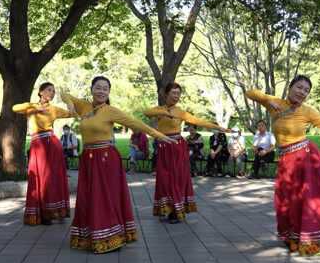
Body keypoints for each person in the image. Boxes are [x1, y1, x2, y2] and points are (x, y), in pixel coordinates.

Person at [245, 75, 320, 256]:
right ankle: (293, 238)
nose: (302, 92)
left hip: (306, 159)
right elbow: (250, 93)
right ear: (290, 87)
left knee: (308, 200)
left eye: (306, 90)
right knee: (287, 200)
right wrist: (269, 101)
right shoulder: (275, 103)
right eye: (299, 87)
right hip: (287, 160)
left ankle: (314, 241)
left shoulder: (308, 111)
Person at [61, 76, 175, 253]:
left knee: (105, 197)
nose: (101, 91)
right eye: (98, 87)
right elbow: (64, 93)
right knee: (89, 197)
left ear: (108, 92)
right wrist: (69, 104)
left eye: (105, 88)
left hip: (106, 159)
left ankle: (111, 237)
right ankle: (91, 235)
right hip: (89, 159)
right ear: (91, 89)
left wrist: (159, 136)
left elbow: (136, 123)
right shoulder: (84, 106)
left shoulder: (111, 111)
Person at [143, 82, 230, 224]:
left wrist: (219, 128)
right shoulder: (159, 109)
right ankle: (166, 208)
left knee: (175, 179)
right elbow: (146, 112)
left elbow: (200, 121)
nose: (176, 96)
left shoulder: (180, 112)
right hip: (164, 147)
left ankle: (175, 212)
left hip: (177, 148)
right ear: (166, 94)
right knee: (164, 179)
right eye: (173, 93)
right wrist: (164, 112)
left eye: (178, 93)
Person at [13, 82, 74, 226]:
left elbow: (72, 113)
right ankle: (41, 211)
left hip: (52, 144)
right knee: (40, 178)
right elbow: (14, 108)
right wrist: (35, 106)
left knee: (53, 178)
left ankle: (55, 211)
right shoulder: (31, 108)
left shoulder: (53, 109)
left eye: (53, 91)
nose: (51, 93)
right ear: (40, 92)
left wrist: (69, 101)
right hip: (38, 145)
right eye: (48, 90)